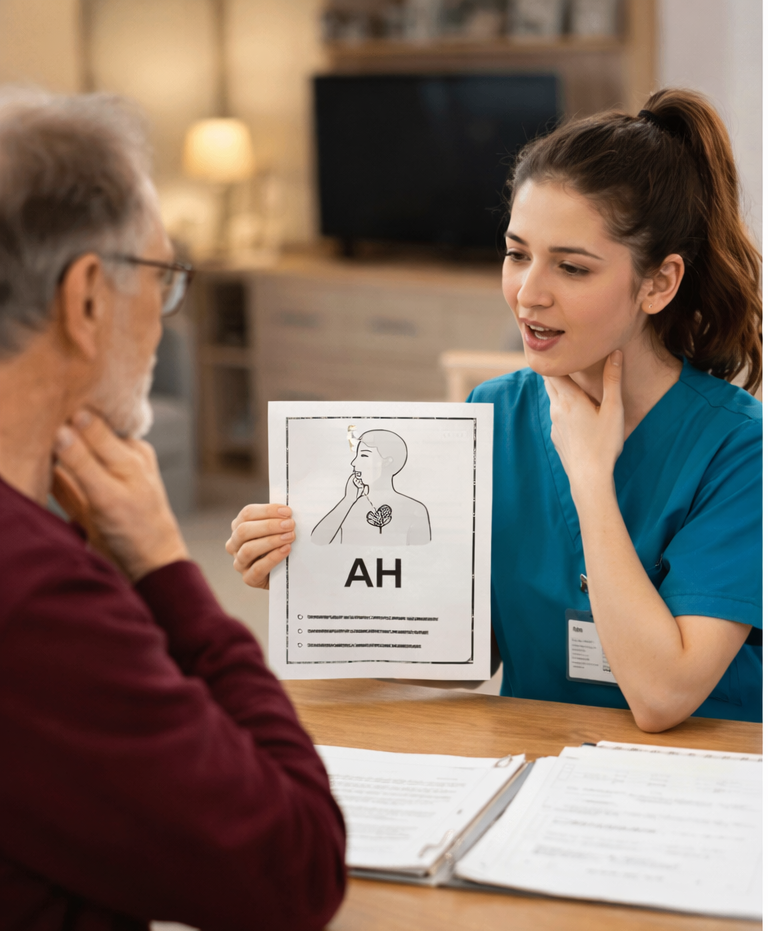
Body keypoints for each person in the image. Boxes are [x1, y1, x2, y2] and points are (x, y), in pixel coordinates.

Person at [228, 88, 761, 732]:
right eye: (516, 254)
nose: (528, 294)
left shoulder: (739, 449)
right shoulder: (491, 413)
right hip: (535, 760)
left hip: (694, 780)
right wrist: (306, 583)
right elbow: (468, 649)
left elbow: (662, 696)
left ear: (658, 283)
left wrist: (591, 478)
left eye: (571, 267)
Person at [0, 89, 345, 931]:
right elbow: (298, 864)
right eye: (162, 275)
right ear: (83, 298)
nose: (165, 312)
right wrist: (164, 564)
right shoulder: (34, 594)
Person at [311, 429, 431, 545]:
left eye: (363, 456)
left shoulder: (414, 509)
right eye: (356, 455)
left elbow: (424, 558)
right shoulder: (349, 506)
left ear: (387, 462)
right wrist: (348, 500)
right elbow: (317, 541)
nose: (353, 463)